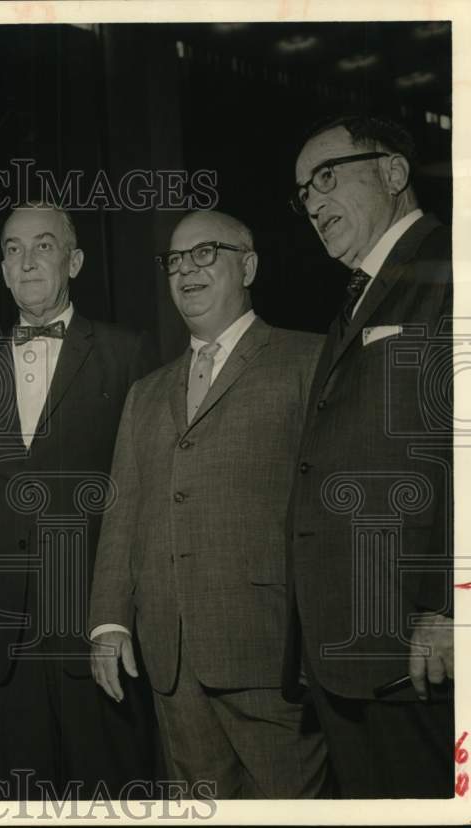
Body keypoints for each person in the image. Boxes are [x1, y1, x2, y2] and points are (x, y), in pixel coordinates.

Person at [88, 210, 328, 798]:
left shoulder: (309, 361)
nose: (186, 270)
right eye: (175, 260)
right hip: (169, 662)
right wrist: (108, 621)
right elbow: (124, 513)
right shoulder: (146, 392)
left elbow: (334, 512)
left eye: (205, 253)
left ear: (248, 265)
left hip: (271, 654)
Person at [0, 203, 156, 799]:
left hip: (97, 630)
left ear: (76, 260)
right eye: (13, 249)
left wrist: (121, 614)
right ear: (2, 268)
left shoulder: (128, 353)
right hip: (1, 639)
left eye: (43, 246)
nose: (28, 260)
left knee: (110, 798)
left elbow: (142, 495)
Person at [285, 115, 453, 797]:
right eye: (302, 194)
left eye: (327, 176)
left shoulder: (450, 266)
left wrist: (449, 608)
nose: (313, 203)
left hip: (417, 650)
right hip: (348, 654)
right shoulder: (357, 299)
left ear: (393, 172)